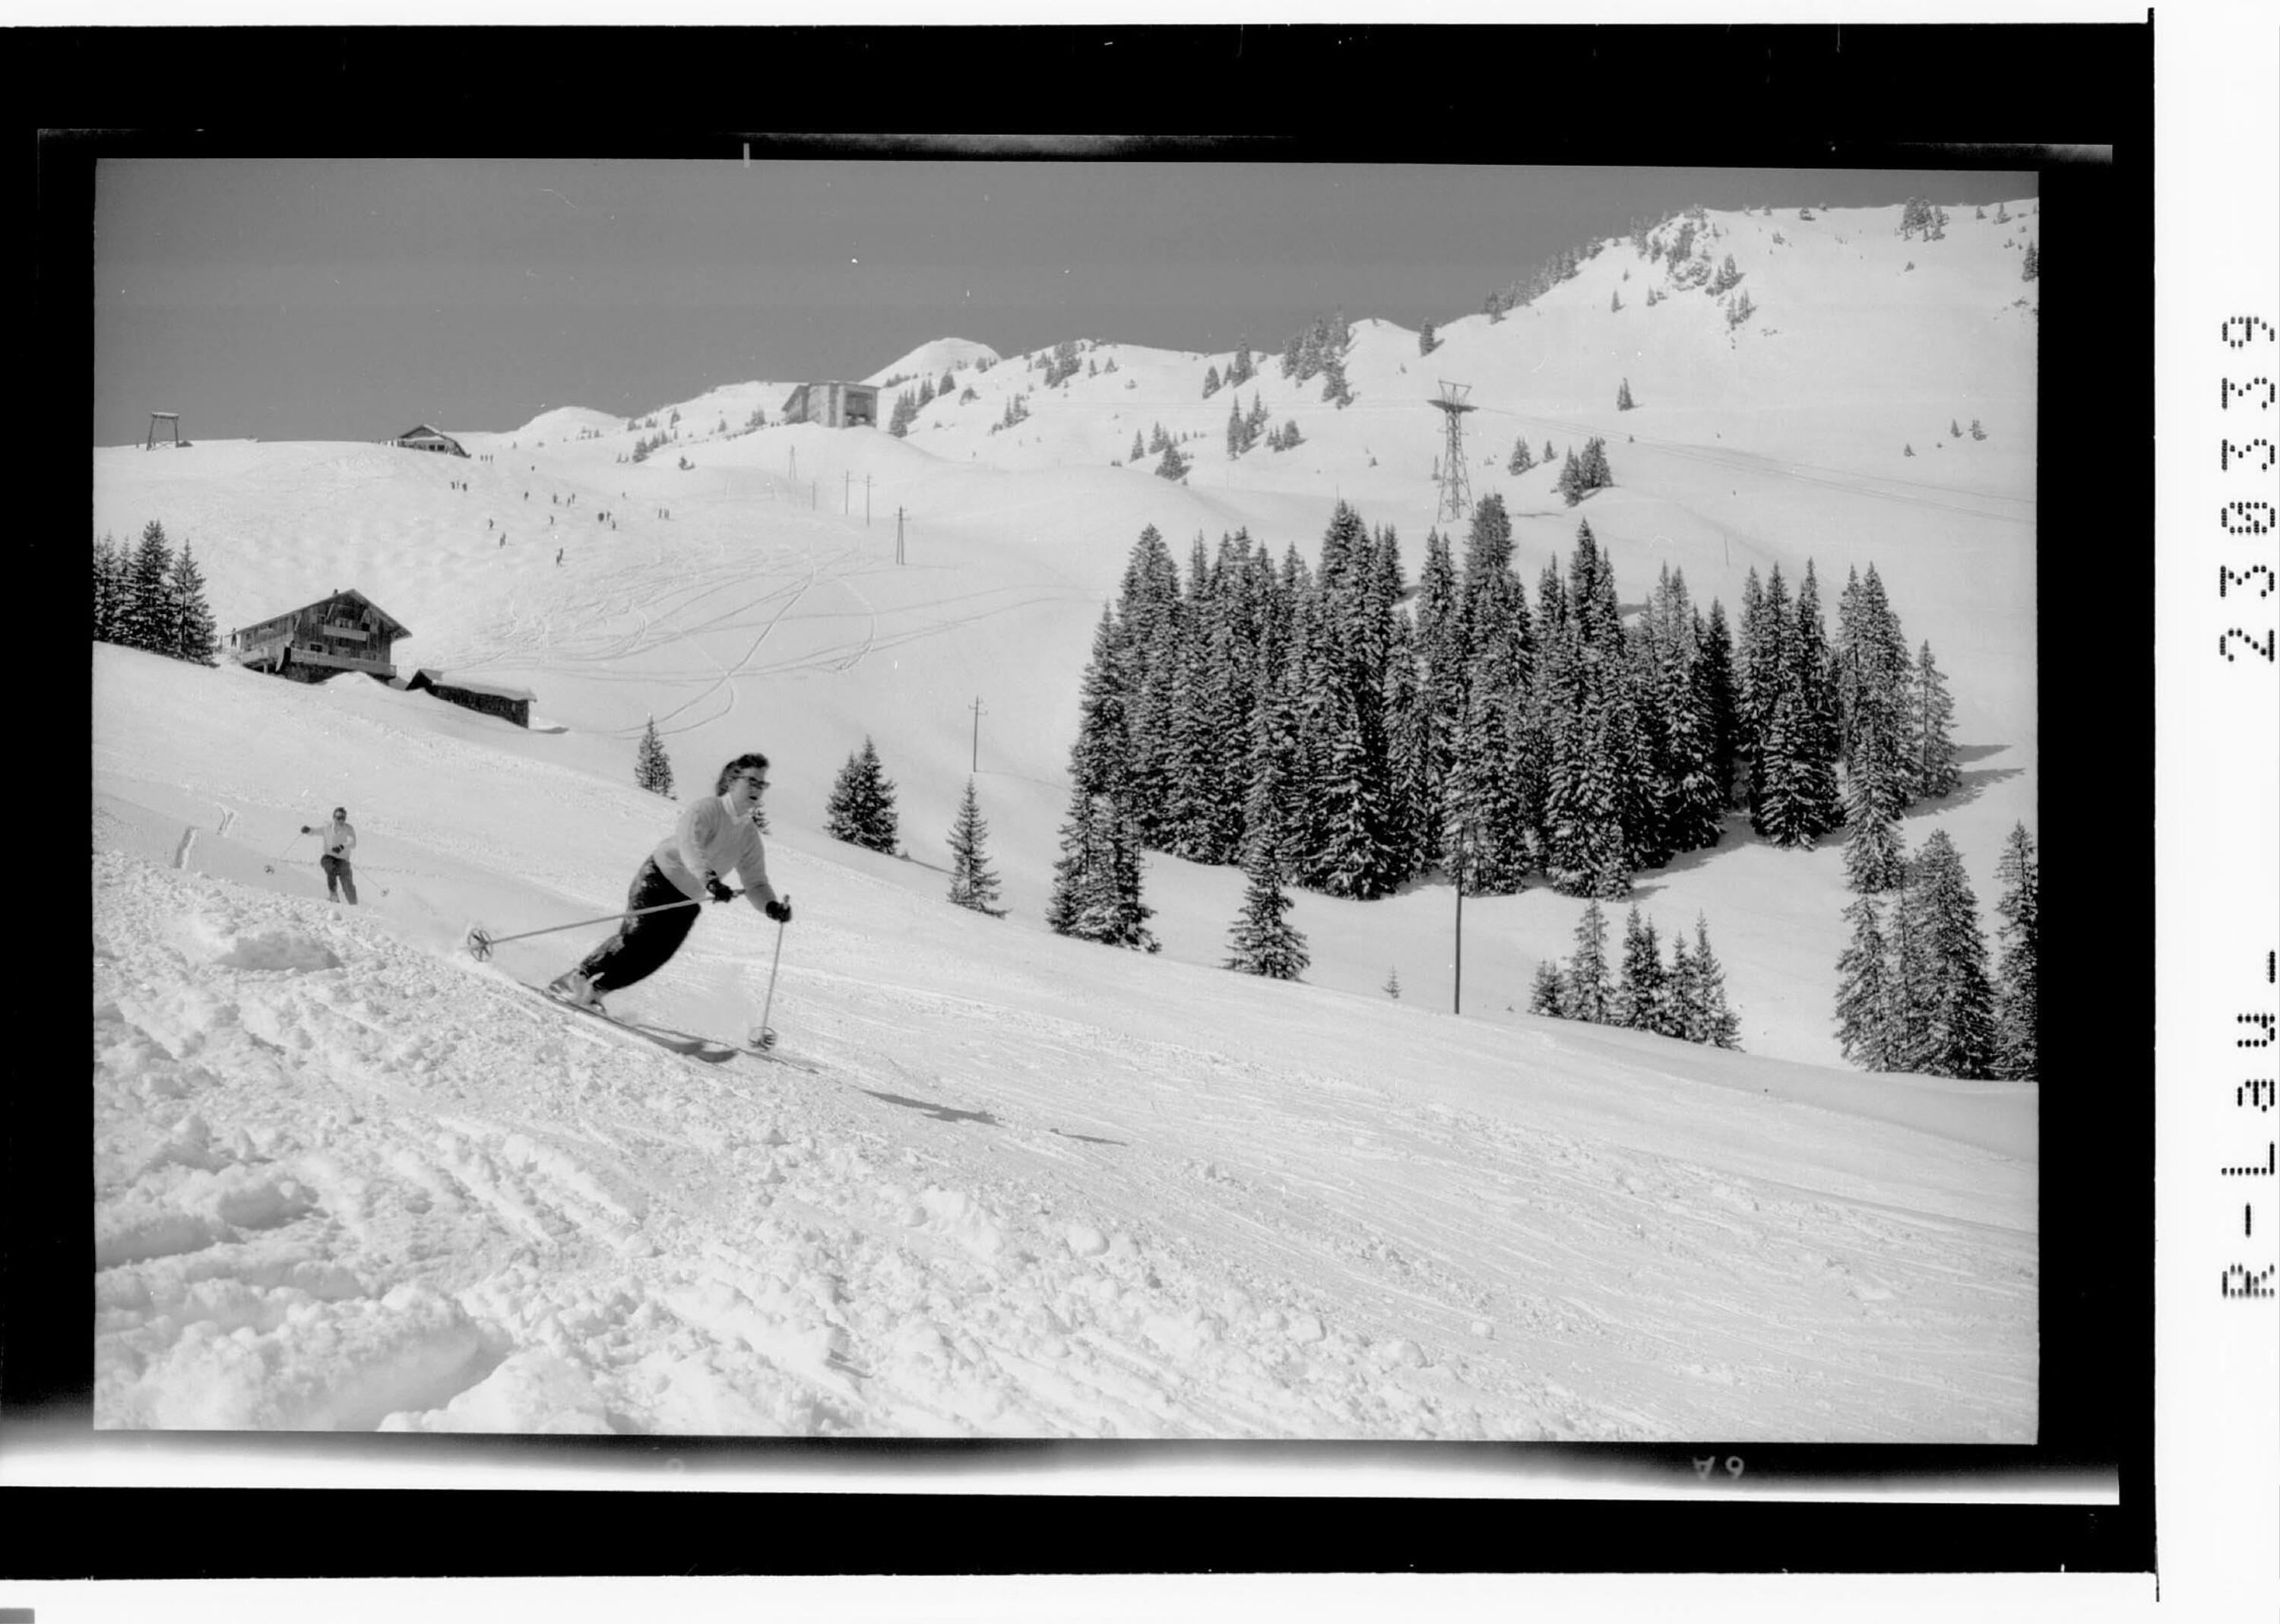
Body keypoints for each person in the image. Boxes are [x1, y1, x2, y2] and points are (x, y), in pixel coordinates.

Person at [549, 754, 793, 1012]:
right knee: (637, 939)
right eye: (752, 781)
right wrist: (710, 881)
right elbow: (691, 849)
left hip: (689, 898)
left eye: (762, 784)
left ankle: (596, 993)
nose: (757, 789)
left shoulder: (748, 836)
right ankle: (575, 980)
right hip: (659, 879)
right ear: (732, 781)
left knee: (657, 955)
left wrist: (771, 907)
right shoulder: (707, 810)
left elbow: (755, 882)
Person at [301, 807, 358, 904]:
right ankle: (333, 895)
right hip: (329, 857)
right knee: (331, 868)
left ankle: (354, 905)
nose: (341, 820)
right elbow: (315, 831)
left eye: (343, 818)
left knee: (348, 885)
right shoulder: (327, 828)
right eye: (339, 817)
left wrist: (341, 847)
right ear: (334, 817)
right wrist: (308, 830)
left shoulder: (349, 829)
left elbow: (352, 843)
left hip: (343, 860)